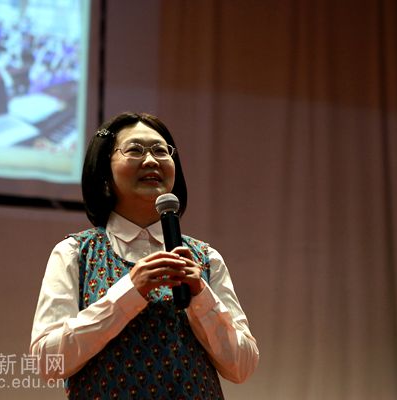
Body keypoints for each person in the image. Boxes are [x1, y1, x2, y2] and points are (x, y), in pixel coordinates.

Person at [30, 112, 259, 399]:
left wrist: (201, 295)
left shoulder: (206, 258)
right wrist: (130, 291)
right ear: (104, 173)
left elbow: (242, 367)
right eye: (135, 150)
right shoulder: (75, 253)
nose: (151, 160)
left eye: (161, 151)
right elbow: (47, 361)